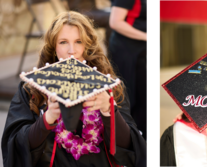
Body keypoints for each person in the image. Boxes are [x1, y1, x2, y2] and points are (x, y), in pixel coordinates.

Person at [1, 11, 148, 167]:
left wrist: (109, 110)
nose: (72, 50)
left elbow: (131, 149)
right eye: (63, 42)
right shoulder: (33, 90)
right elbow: (16, 147)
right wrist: (47, 119)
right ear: (53, 46)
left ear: (87, 45)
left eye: (79, 41)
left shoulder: (107, 87)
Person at [108, 0, 149, 142]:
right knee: (127, 100)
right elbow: (115, 22)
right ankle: (126, 142)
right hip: (125, 51)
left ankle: (140, 141)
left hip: (140, 53)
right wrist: (146, 36)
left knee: (144, 100)